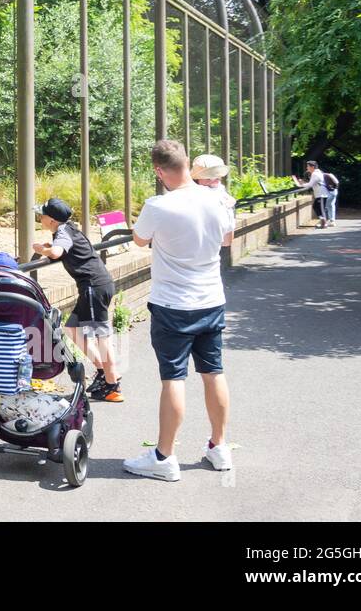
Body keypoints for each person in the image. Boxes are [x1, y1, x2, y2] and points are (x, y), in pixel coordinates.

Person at [123, 140, 236, 482]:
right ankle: (219, 447)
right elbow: (227, 241)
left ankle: (164, 457)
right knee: (213, 372)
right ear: (187, 162)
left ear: (159, 171)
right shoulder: (218, 199)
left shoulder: (158, 205)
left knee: (173, 378)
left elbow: (139, 240)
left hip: (173, 305)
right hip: (211, 300)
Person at [30, 198, 122, 403]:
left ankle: (113, 385)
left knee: (101, 336)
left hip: (93, 287)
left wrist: (42, 250)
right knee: (72, 329)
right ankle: (102, 371)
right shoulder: (67, 229)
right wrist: (49, 245)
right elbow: (63, 248)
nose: (40, 217)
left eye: (42, 214)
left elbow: (56, 252)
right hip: (95, 285)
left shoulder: (62, 233)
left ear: (52, 220)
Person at [295, 160, 330, 228]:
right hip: (320, 194)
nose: (307, 168)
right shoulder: (317, 173)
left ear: (312, 167)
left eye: (308, 166)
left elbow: (310, 184)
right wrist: (303, 183)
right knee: (315, 207)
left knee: (321, 209)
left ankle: (324, 223)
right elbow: (312, 183)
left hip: (322, 194)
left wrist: (301, 185)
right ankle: (323, 221)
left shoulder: (315, 174)